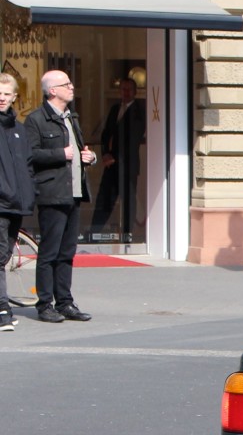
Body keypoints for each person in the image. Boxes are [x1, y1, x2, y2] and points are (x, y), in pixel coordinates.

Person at [25, 69, 96, 323]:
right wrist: (60, 154)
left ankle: (65, 302)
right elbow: (30, 155)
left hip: (74, 193)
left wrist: (89, 157)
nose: (72, 87)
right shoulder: (36, 120)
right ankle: (45, 304)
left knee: (67, 252)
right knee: (50, 252)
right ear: (52, 91)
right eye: (66, 84)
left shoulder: (71, 118)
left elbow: (78, 151)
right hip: (52, 194)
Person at [0, 72, 36, 332]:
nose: (1, 98)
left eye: (6, 94)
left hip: (17, 204)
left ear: (14, 97)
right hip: (1, 202)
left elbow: (27, 166)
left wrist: (28, 193)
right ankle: (2, 309)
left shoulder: (19, 130)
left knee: (4, 255)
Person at [90, 76, 145, 243]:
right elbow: (107, 133)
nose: (125, 93)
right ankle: (94, 234)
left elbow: (133, 138)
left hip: (127, 164)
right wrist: (105, 153)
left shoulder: (139, 110)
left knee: (128, 200)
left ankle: (127, 235)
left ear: (135, 92)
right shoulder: (115, 109)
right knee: (105, 198)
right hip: (111, 164)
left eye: (128, 89)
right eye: (123, 89)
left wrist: (114, 157)